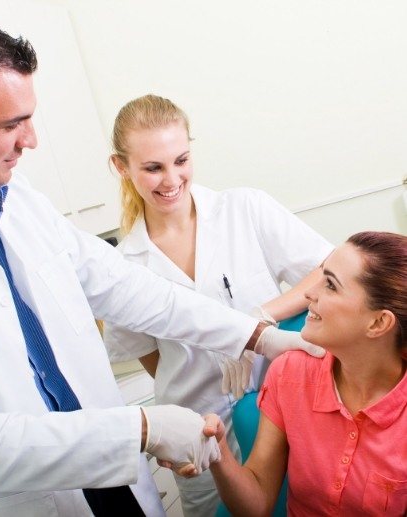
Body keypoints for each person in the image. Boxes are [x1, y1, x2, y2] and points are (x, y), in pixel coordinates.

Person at [0, 13, 323, 517]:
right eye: (11, 124)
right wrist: (145, 428)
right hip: (14, 499)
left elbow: (127, 288)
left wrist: (256, 335)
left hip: (107, 476)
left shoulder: (16, 197)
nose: (30, 140)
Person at [103, 94, 334, 516]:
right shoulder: (124, 264)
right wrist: (202, 371)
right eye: (153, 167)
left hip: (279, 410)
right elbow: (150, 357)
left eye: (181, 160)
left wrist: (260, 319)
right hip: (198, 429)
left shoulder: (244, 209)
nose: (171, 178)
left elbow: (327, 269)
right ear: (121, 167)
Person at [205, 231, 407, 516]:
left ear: (378, 323)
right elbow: (257, 503)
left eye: (331, 286)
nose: (310, 293)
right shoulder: (290, 373)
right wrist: (218, 453)